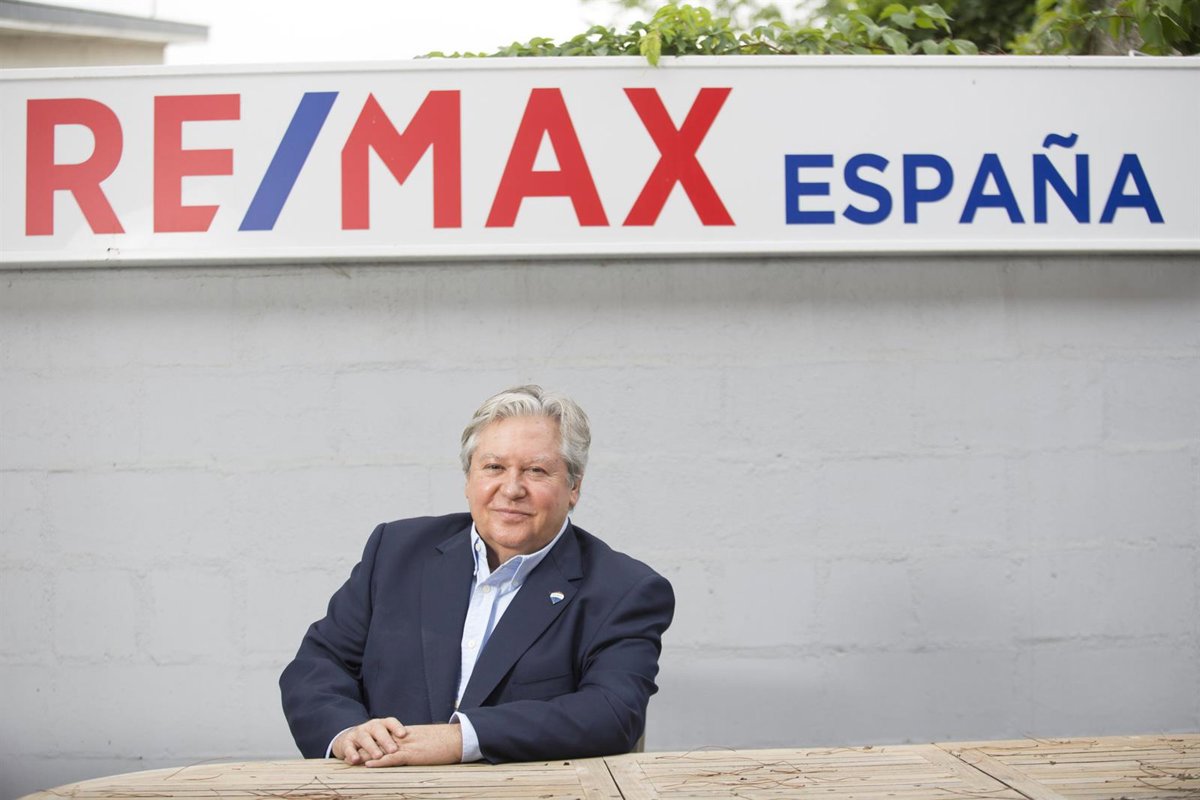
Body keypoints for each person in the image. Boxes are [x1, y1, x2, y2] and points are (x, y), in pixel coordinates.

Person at [279, 385, 675, 766]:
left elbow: (611, 711)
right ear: (469, 478)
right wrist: (348, 732)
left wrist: (460, 740)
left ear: (574, 487)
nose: (512, 488)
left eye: (536, 470)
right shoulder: (396, 551)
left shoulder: (625, 590)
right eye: (494, 467)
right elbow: (318, 665)